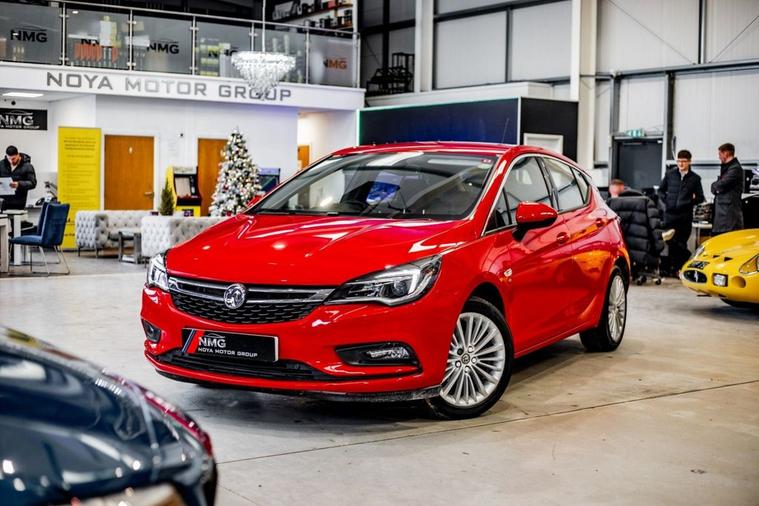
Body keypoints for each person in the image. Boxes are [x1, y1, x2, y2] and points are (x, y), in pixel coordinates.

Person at [607, 180, 665, 281]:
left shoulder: (610, 203)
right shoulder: (646, 201)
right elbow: (655, 227)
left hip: (621, 250)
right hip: (643, 250)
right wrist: (659, 247)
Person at [657, 149, 705, 271]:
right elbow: (660, 191)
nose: (681, 164)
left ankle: (679, 269)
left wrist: (689, 202)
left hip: (684, 217)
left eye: (683, 161)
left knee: (681, 243)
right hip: (670, 216)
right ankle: (678, 266)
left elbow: (700, 197)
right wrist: (667, 202)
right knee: (671, 242)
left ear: (689, 162)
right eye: (678, 161)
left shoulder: (695, 178)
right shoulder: (670, 174)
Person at [711, 143, 744, 235]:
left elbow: (719, 185)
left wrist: (715, 185)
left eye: (720, 154)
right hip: (723, 219)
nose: (719, 157)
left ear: (726, 153)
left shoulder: (735, 169)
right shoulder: (728, 168)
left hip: (729, 220)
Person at [0, 145, 37, 211]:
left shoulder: (28, 166)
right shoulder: (1, 164)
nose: (11, 161)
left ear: (18, 155)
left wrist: (19, 184)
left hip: (18, 203)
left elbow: (33, 183)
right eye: (9, 158)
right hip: (2, 202)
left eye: (13, 159)